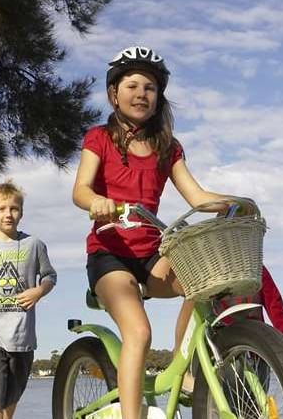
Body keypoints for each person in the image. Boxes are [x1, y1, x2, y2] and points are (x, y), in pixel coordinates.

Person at [72, 46, 239, 419]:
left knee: (203, 284)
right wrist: (97, 202)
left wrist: (235, 202)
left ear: (158, 97)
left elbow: (196, 196)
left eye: (149, 87)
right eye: (131, 85)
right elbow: (80, 190)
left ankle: (184, 370)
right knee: (140, 332)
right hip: (110, 253)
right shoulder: (99, 137)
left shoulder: (168, 148)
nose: (141, 93)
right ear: (114, 94)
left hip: (152, 254)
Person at [0, 180, 57, 419]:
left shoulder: (34, 245)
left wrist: (38, 291)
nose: (8, 214)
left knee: (15, 388)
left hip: (22, 332)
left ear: (21, 212)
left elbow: (50, 277)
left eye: (14, 209)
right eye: (2, 209)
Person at [214, 265, 283, 348]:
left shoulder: (254, 267)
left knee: (257, 270)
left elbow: (274, 302)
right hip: (219, 341)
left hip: (255, 341)